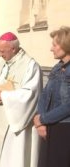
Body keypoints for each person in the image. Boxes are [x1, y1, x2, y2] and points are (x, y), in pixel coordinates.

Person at [0, 32, 43, 167]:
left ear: (13, 49)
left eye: (2, 51)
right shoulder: (1, 65)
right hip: (0, 116)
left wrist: (4, 96)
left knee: (16, 157)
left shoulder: (30, 66)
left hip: (18, 121)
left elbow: (31, 93)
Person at [33, 26, 70, 167]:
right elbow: (45, 94)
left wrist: (43, 118)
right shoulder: (57, 67)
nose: (51, 49)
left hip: (65, 128)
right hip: (50, 125)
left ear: (66, 45)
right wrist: (40, 120)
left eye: (55, 45)